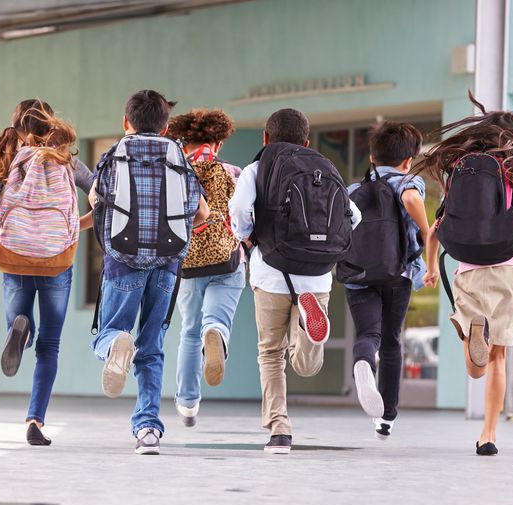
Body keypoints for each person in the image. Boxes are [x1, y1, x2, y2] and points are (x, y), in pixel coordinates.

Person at [419, 94, 513, 456]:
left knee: (477, 368)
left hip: (468, 270)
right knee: (499, 357)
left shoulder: (461, 170)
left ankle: (476, 338)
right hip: (512, 268)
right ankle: (492, 432)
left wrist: (428, 268)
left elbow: (434, 231)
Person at [229, 108, 362, 454]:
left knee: (271, 354)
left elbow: (240, 208)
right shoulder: (323, 166)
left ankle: (280, 428)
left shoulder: (257, 169)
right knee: (306, 365)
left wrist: (245, 235)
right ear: (307, 140)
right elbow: (354, 216)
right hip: (316, 277)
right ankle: (308, 332)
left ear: (265, 139)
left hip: (271, 272)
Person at [88, 90, 209, 455]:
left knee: (108, 332)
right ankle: (147, 431)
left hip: (122, 259)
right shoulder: (178, 155)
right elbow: (200, 212)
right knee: (152, 344)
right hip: (168, 262)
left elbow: (95, 199)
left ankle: (114, 345)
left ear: (126, 123)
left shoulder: (115, 154)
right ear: (166, 125)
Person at [0, 99, 85, 446]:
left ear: (18, 126)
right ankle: (35, 419)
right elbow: (99, 191)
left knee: (19, 321)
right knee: (49, 347)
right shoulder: (66, 158)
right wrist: (79, 225)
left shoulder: (9, 157)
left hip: (16, 255)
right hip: (56, 259)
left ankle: (20, 328)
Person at [343, 121, 431, 440]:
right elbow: (410, 200)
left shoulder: (353, 190)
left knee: (369, 334)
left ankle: (364, 361)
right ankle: (387, 418)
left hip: (358, 274)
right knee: (392, 341)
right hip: (397, 273)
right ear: (409, 159)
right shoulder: (409, 181)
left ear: (371, 156)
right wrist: (427, 230)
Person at [165, 108, 245, 427]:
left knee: (189, 332)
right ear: (219, 141)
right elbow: (244, 217)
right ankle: (218, 333)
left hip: (187, 265)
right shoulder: (231, 171)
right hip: (226, 260)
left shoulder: (176, 173)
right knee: (216, 319)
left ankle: (187, 403)